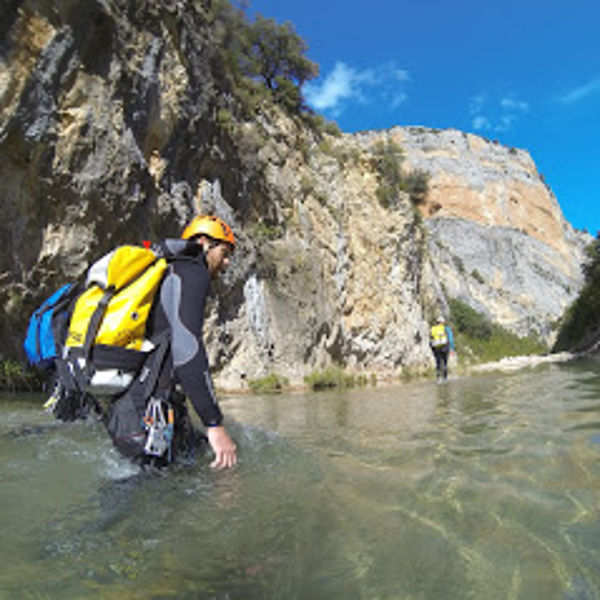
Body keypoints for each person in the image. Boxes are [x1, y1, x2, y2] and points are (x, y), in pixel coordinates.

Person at [107, 215, 238, 469]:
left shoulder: (167, 269)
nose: (227, 262)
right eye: (224, 252)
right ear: (203, 243)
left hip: (133, 408)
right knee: (147, 494)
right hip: (145, 415)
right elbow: (186, 349)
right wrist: (214, 424)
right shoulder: (192, 270)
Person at [429, 315, 455, 383]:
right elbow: (450, 339)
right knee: (445, 362)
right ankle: (445, 379)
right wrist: (452, 348)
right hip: (445, 347)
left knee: (438, 362)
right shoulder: (446, 328)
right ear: (443, 322)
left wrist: (432, 349)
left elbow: (430, 339)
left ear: (437, 322)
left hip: (436, 347)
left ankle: (438, 378)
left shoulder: (433, 328)